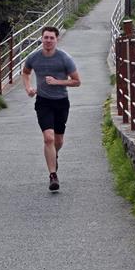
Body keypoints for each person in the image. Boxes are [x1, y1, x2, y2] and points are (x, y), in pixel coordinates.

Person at [21, 26, 81, 192]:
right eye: (45, 37)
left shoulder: (64, 58)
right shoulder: (34, 57)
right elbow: (25, 73)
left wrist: (58, 82)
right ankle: (53, 175)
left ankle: (53, 154)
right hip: (43, 102)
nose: (48, 41)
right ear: (41, 39)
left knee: (58, 140)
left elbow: (77, 81)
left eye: (51, 38)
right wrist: (28, 88)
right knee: (48, 138)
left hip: (61, 102)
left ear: (57, 39)